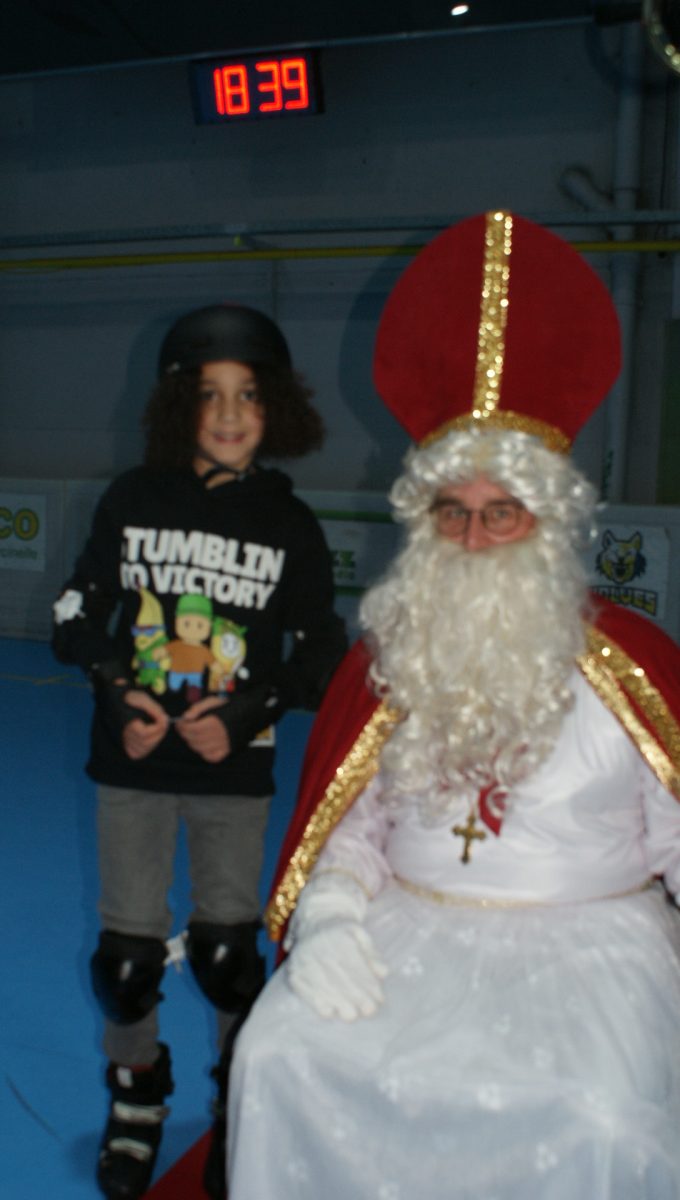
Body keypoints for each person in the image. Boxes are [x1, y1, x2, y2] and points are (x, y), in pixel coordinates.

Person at [226, 212, 680, 1200]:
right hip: (408, 930)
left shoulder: (632, 669)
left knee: (598, 1113)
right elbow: (352, 830)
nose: (473, 539)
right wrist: (330, 918)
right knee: (276, 1054)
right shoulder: (392, 661)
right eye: (452, 513)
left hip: (590, 946)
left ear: (544, 521)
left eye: (499, 514)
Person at [51, 303, 347, 1200]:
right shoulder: (132, 499)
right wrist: (115, 686)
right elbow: (74, 612)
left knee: (228, 956)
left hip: (233, 773)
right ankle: (136, 1094)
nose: (228, 414)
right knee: (127, 962)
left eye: (248, 395)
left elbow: (321, 652)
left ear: (276, 408)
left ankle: (236, 1100)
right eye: (210, 394)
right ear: (180, 405)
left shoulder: (290, 525)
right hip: (132, 767)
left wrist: (253, 706)